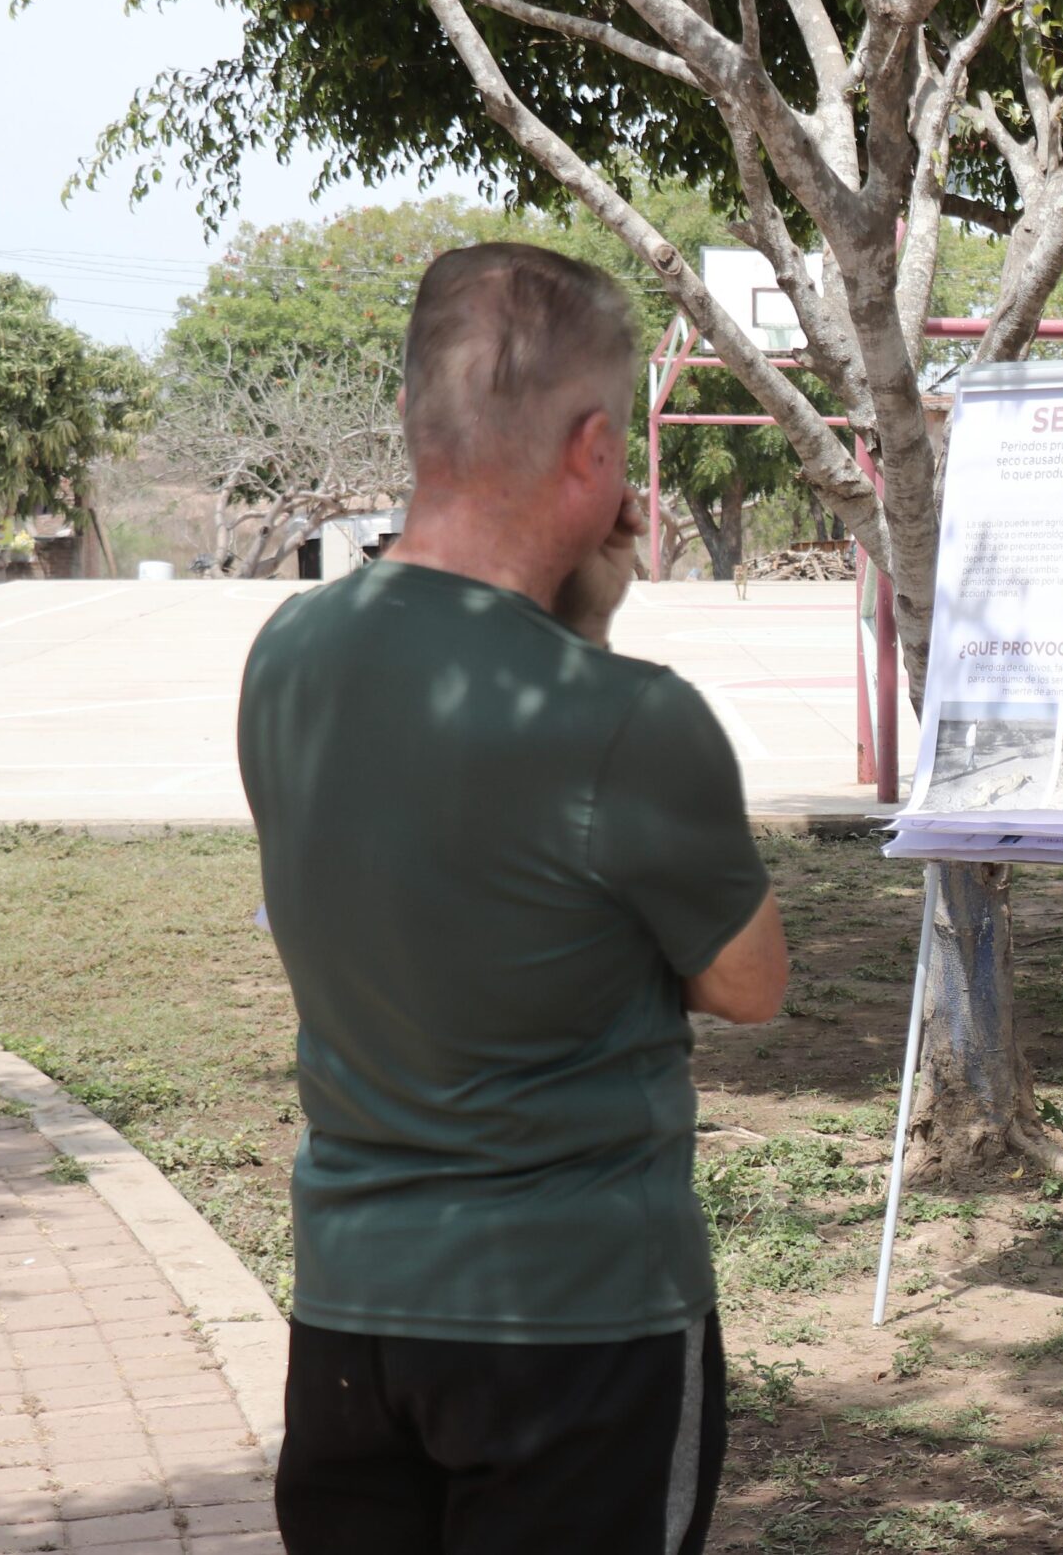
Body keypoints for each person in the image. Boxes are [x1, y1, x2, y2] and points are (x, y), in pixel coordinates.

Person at [238, 243, 790, 1555]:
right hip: (579, 1321)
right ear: (596, 449)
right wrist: (592, 637)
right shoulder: (628, 719)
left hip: (353, 1315)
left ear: (423, 421)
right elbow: (753, 983)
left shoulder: (288, 654)